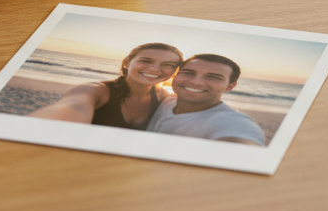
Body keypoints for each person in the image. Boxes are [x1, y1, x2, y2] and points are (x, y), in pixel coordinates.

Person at [30, 42, 183, 128]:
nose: (154, 69)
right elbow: (71, 108)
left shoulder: (164, 98)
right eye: (146, 61)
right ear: (127, 63)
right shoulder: (94, 91)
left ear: (174, 71)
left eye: (167, 64)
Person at [145, 54, 265, 145]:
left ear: (230, 86)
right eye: (188, 73)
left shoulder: (230, 121)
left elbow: (243, 146)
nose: (196, 82)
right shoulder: (166, 101)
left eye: (213, 77)